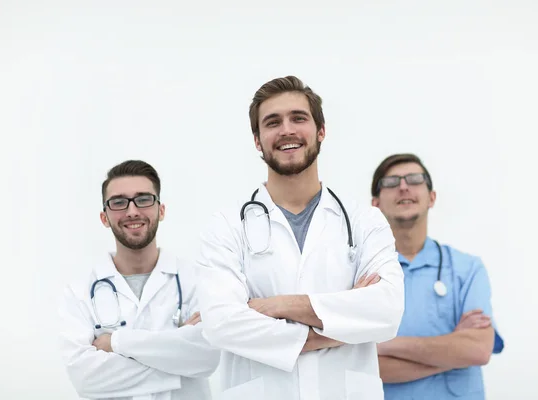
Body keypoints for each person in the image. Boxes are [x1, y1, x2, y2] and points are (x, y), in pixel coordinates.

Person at [194, 76, 405, 400]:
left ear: (321, 131)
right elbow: (221, 323)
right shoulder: (227, 226)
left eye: (298, 118)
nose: (286, 130)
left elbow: (387, 312)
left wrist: (279, 306)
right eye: (272, 122)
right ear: (257, 139)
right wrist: (338, 328)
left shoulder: (364, 221)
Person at [58, 160, 220, 400]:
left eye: (143, 199)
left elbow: (207, 358)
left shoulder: (197, 280)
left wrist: (116, 342)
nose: (132, 211)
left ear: (161, 210)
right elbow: (86, 379)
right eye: (119, 202)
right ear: (105, 217)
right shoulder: (79, 291)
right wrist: (176, 358)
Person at [370, 153, 505, 400]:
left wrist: (385, 346)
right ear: (375, 203)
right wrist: (453, 351)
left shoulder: (467, 269)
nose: (403, 187)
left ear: (432, 198)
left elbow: (478, 350)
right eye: (391, 182)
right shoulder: (362, 274)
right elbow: (364, 366)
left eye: (414, 179)